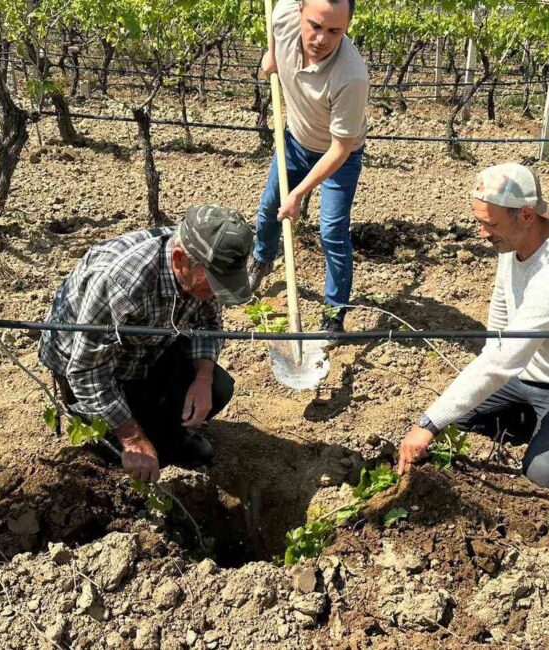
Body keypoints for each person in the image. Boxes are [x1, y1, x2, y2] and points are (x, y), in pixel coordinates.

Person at [397, 164, 549, 490]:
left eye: (490, 224)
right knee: (459, 419)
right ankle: (546, 425)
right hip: (528, 374)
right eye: (480, 222)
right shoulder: (513, 243)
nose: (482, 233)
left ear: (525, 215)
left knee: (545, 475)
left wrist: (428, 423)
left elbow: (504, 358)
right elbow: (499, 324)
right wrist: (445, 416)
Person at [39, 205, 254, 483]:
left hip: (148, 349)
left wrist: (203, 377)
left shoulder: (205, 260)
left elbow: (208, 323)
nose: (216, 291)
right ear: (179, 260)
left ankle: (170, 435)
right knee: (140, 456)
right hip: (89, 369)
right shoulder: (123, 282)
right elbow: (86, 372)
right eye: (213, 282)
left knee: (217, 388)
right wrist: (132, 439)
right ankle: (129, 441)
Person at [250, 0, 368, 336]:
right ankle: (261, 260)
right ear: (300, 12)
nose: (321, 39)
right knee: (269, 208)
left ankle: (334, 313)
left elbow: (340, 149)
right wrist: (272, 53)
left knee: (332, 230)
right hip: (295, 141)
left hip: (339, 157)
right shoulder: (284, 15)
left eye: (334, 31)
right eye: (315, 26)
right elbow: (275, 17)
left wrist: (299, 194)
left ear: (347, 28)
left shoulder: (352, 77)